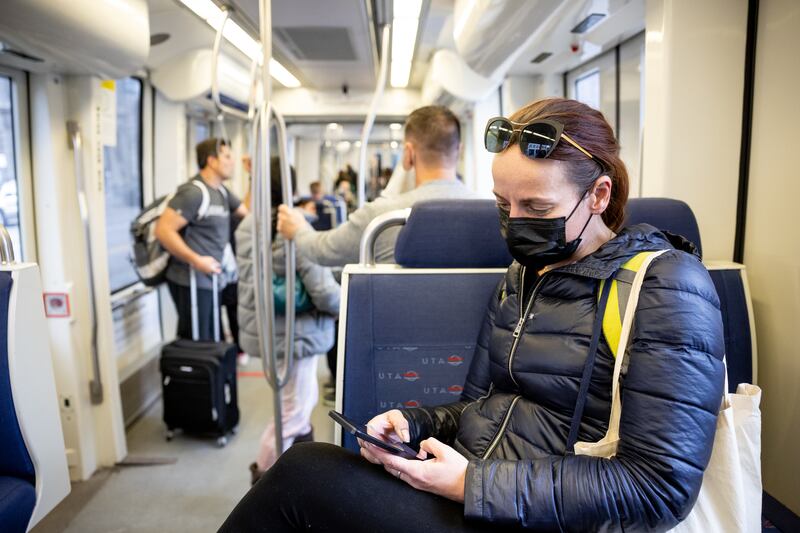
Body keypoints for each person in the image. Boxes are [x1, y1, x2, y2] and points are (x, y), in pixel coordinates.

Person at [219, 98, 725, 532]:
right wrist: (416, 425)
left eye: (538, 207)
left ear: (598, 195)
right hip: (480, 493)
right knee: (305, 478)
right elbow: (484, 406)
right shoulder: (524, 274)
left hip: (549, 517)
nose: (517, 223)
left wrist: (471, 484)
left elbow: (657, 487)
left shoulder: (665, 286)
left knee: (303, 478)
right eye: (504, 205)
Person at [236, 157, 340, 485]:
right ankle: (262, 483)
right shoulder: (291, 225)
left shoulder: (247, 225)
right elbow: (321, 287)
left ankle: (300, 475)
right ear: (291, 187)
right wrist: (342, 305)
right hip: (298, 331)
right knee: (293, 411)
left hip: (269, 330)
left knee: (295, 403)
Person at [277, 105, 476, 266]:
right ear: (459, 150)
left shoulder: (381, 217)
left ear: (408, 154)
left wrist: (298, 229)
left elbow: (324, 251)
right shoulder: (491, 213)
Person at [155, 138, 248, 341]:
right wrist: (196, 260)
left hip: (212, 279)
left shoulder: (221, 192)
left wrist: (253, 175)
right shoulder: (194, 192)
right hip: (191, 279)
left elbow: (247, 213)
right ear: (211, 160)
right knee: (196, 339)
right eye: (227, 156)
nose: (232, 161)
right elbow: (163, 230)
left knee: (211, 338)